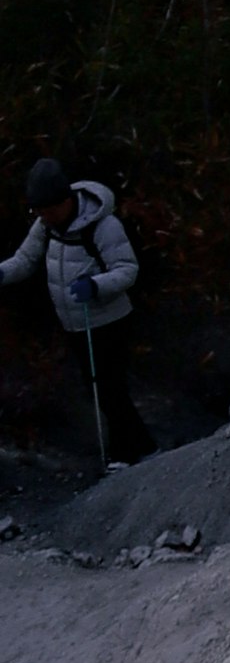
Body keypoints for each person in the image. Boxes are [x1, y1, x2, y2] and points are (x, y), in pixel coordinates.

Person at [3, 157, 149, 467]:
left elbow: (127, 270)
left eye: (50, 210)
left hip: (109, 319)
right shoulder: (46, 225)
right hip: (75, 322)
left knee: (109, 387)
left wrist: (95, 285)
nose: (45, 217)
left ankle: (126, 454)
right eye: (39, 211)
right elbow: (25, 260)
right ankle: (144, 447)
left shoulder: (102, 225)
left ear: (66, 199)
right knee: (98, 387)